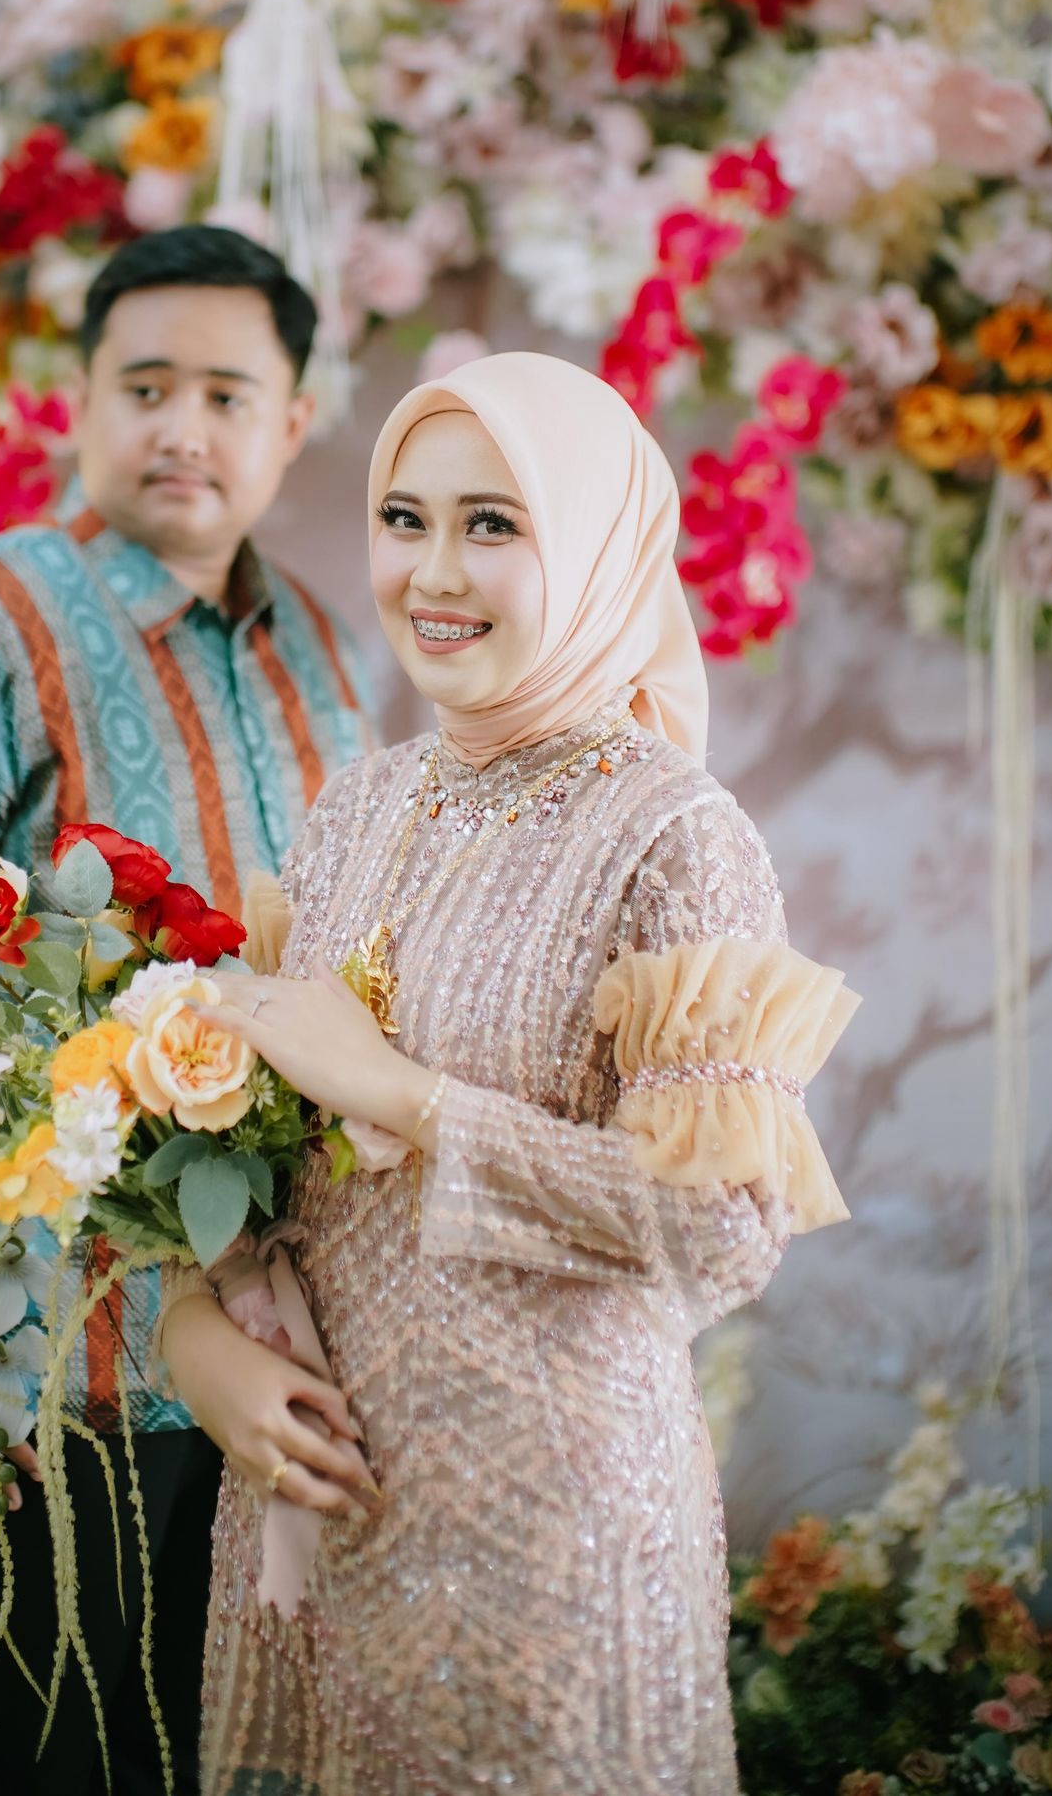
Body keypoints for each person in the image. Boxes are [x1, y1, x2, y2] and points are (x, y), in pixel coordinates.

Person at [161, 351, 856, 1796]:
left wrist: (407, 1099)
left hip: (541, 1541)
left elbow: (722, 1224)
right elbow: (250, 1141)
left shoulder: (672, 835)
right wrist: (195, 1331)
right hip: (312, 1501)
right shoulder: (356, 806)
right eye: (404, 519)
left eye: (494, 523)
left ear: (595, 544)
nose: (434, 572)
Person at [0, 225, 373, 1796]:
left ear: (290, 422)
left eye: (226, 395)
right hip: (46, 1387)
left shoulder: (319, 648)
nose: (184, 427)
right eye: (146, 385)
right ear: (83, 397)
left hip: (284, 1365)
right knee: (38, 1755)